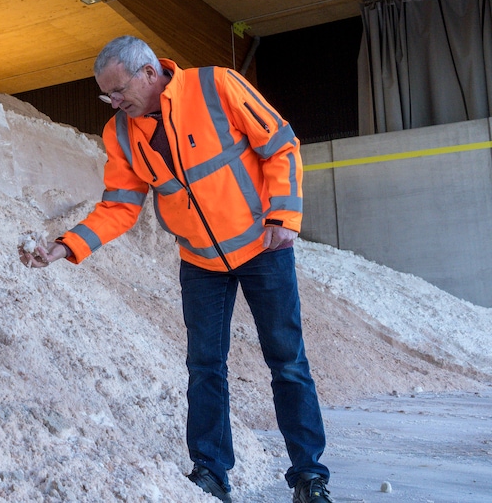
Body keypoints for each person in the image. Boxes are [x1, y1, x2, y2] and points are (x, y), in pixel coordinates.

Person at [20, 36, 332, 503]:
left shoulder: (217, 86)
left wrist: (285, 217)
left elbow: (280, 145)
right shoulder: (121, 133)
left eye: (119, 90)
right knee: (205, 367)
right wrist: (64, 248)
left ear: (149, 72)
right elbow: (120, 206)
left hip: (263, 247)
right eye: (107, 95)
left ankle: (309, 477)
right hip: (200, 261)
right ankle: (210, 474)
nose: (114, 102)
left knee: (287, 362)